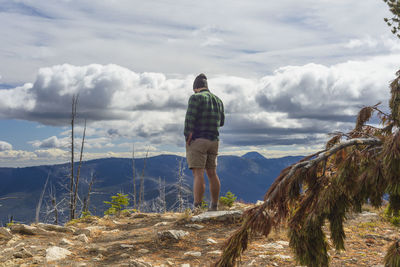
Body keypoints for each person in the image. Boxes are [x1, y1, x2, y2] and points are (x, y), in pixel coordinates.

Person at [184, 73, 225, 211]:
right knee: (212, 173)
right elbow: (222, 122)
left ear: (195, 87)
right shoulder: (218, 100)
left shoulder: (195, 98)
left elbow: (189, 120)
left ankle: (197, 207)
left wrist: (187, 138)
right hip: (214, 140)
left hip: (198, 140)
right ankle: (214, 205)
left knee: (198, 173)